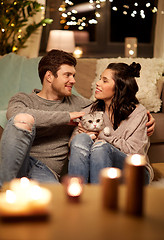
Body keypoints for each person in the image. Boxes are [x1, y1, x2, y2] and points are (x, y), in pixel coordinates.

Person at [0, 51, 154, 187]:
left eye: (73, 75)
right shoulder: (22, 99)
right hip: (19, 161)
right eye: (67, 75)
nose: (73, 80)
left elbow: (114, 105)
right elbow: (15, 116)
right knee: (22, 119)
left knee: (57, 204)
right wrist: (68, 116)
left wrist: (145, 115)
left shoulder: (80, 104)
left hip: (46, 170)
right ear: (49, 76)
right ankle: (3, 187)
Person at [68, 62, 154, 185]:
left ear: (120, 87)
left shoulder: (138, 113)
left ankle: (99, 199)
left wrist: (100, 135)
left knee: (101, 148)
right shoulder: (90, 111)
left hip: (135, 173)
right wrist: (84, 137)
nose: (97, 83)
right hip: (98, 168)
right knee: (81, 139)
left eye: (105, 81)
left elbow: (134, 153)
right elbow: (74, 144)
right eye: (99, 79)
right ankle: (78, 192)